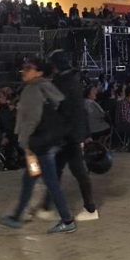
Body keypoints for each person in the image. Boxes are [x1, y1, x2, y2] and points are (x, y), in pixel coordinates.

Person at [0, 58, 77, 234]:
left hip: (38, 145)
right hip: (47, 142)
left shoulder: (32, 89)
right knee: (29, 179)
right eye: (23, 67)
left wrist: (24, 142)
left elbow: (31, 119)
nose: (23, 71)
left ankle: (67, 220)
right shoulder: (46, 87)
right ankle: (16, 216)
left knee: (50, 182)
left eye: (28, 68)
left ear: (39, 72)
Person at [34, 51, 98, 222]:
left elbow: (60, 109)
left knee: (74, 171)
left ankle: (90, 208)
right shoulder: (73, 81)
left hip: (67, 135)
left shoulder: (63, 83)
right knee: (57, 171)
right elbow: (80, 110)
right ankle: (47, 206)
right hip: (71, 133)